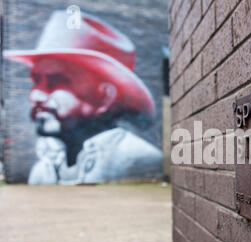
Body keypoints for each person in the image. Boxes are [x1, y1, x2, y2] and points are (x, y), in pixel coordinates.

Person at [4, 11, 162, 184]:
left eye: (56, 81)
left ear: (104, 98)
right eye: (36, 80)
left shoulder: (137, 160)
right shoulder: (43, 171)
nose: (35, 95)